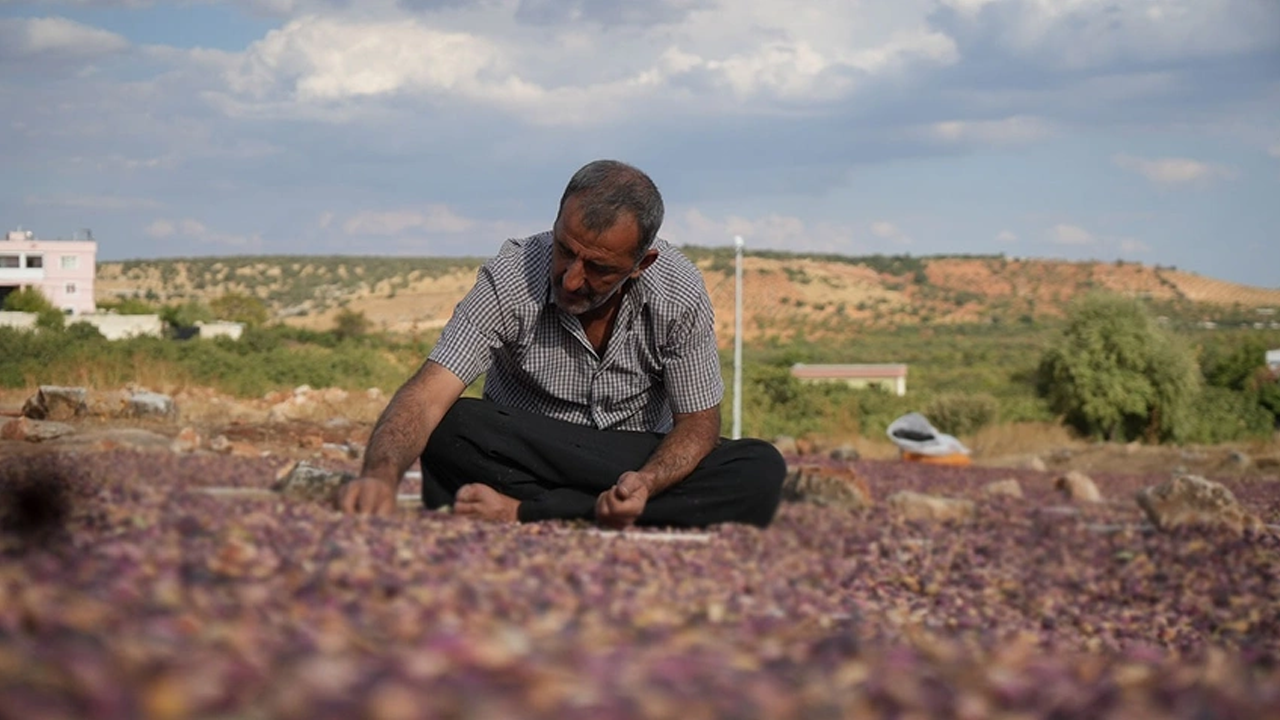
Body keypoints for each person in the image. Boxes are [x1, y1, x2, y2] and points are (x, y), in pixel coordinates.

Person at [337, 160, 785, 528]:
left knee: (759, 469)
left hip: (630, 458)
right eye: (564, 250)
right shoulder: (512, 276)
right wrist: (379, 476)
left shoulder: (677, 291)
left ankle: (533, 512)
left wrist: (647, 482)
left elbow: (697, 425)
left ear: (641, 263)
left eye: (599, 269)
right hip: (529, 452)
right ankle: (599, 513)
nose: (571, 279)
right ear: (555, 223)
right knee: (450, 426)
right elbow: (427, 394)